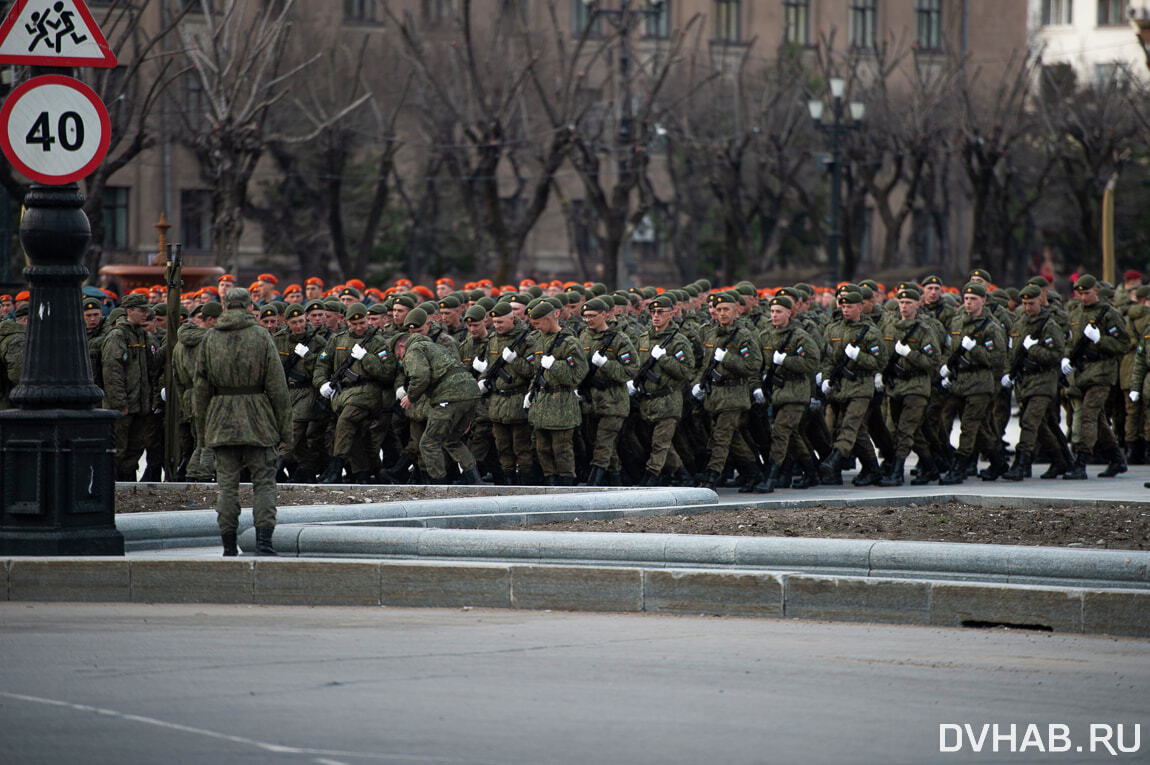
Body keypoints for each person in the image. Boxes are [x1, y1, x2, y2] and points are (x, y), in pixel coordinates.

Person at [193, 288, 290, 556]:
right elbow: (278, 388)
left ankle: (227, 544)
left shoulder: (210, 337)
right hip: (258, 417)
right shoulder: (261, 335)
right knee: (264, 483)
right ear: (249, 307)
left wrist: (202, 432)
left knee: (226, 487)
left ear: (224, 307)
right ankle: (263, 542)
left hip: (221, 417)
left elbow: (200, 389)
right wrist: (286, 430)